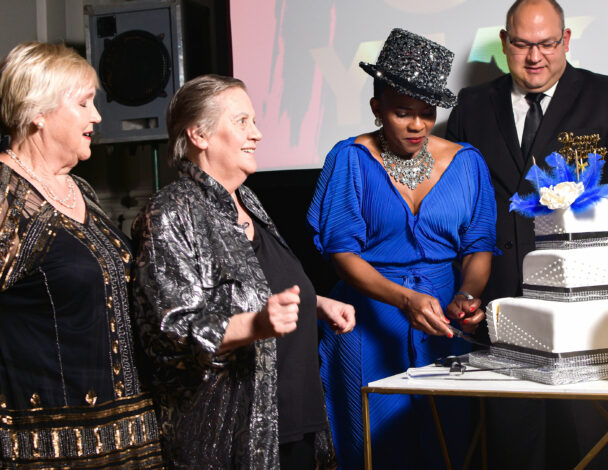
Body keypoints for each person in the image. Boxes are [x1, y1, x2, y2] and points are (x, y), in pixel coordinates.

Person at [445, 1, 608, 467]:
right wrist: (466, 290)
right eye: (522, 44)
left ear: (566, 41)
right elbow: (460, 210)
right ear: (504, 43)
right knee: (513, 451)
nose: (535, 57)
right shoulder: (472, 106)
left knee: (593, 448)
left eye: (546, 44)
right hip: (504, 313)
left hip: (590, 314)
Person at [132, 74, 355, 469]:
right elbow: (169, 334)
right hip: (235, 438)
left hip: (297, 422)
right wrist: (255, 325)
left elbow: (257, 284)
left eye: (254, 121)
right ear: (199, 135)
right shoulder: (171, 211)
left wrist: (315, 303)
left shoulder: (246, 199)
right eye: (241, 122)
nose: (257, 133)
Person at [307, 28, 498, 469]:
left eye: (427, 113)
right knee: (372, 449)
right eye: (402, 112)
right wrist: (403, 298)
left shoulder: (467, 162)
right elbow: (341, 253)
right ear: (377, 109)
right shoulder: (349, 159)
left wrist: (467, 294)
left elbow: (478, 247)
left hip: (442, 323)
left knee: (446, 446)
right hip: (366, 321)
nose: (417, 125)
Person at [0, 42, 163, 467]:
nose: (97, 116)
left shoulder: (79, 189)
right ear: (38, 111)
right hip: (54, 449)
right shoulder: (5, 194)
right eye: (83, 103)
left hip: (131, 440)